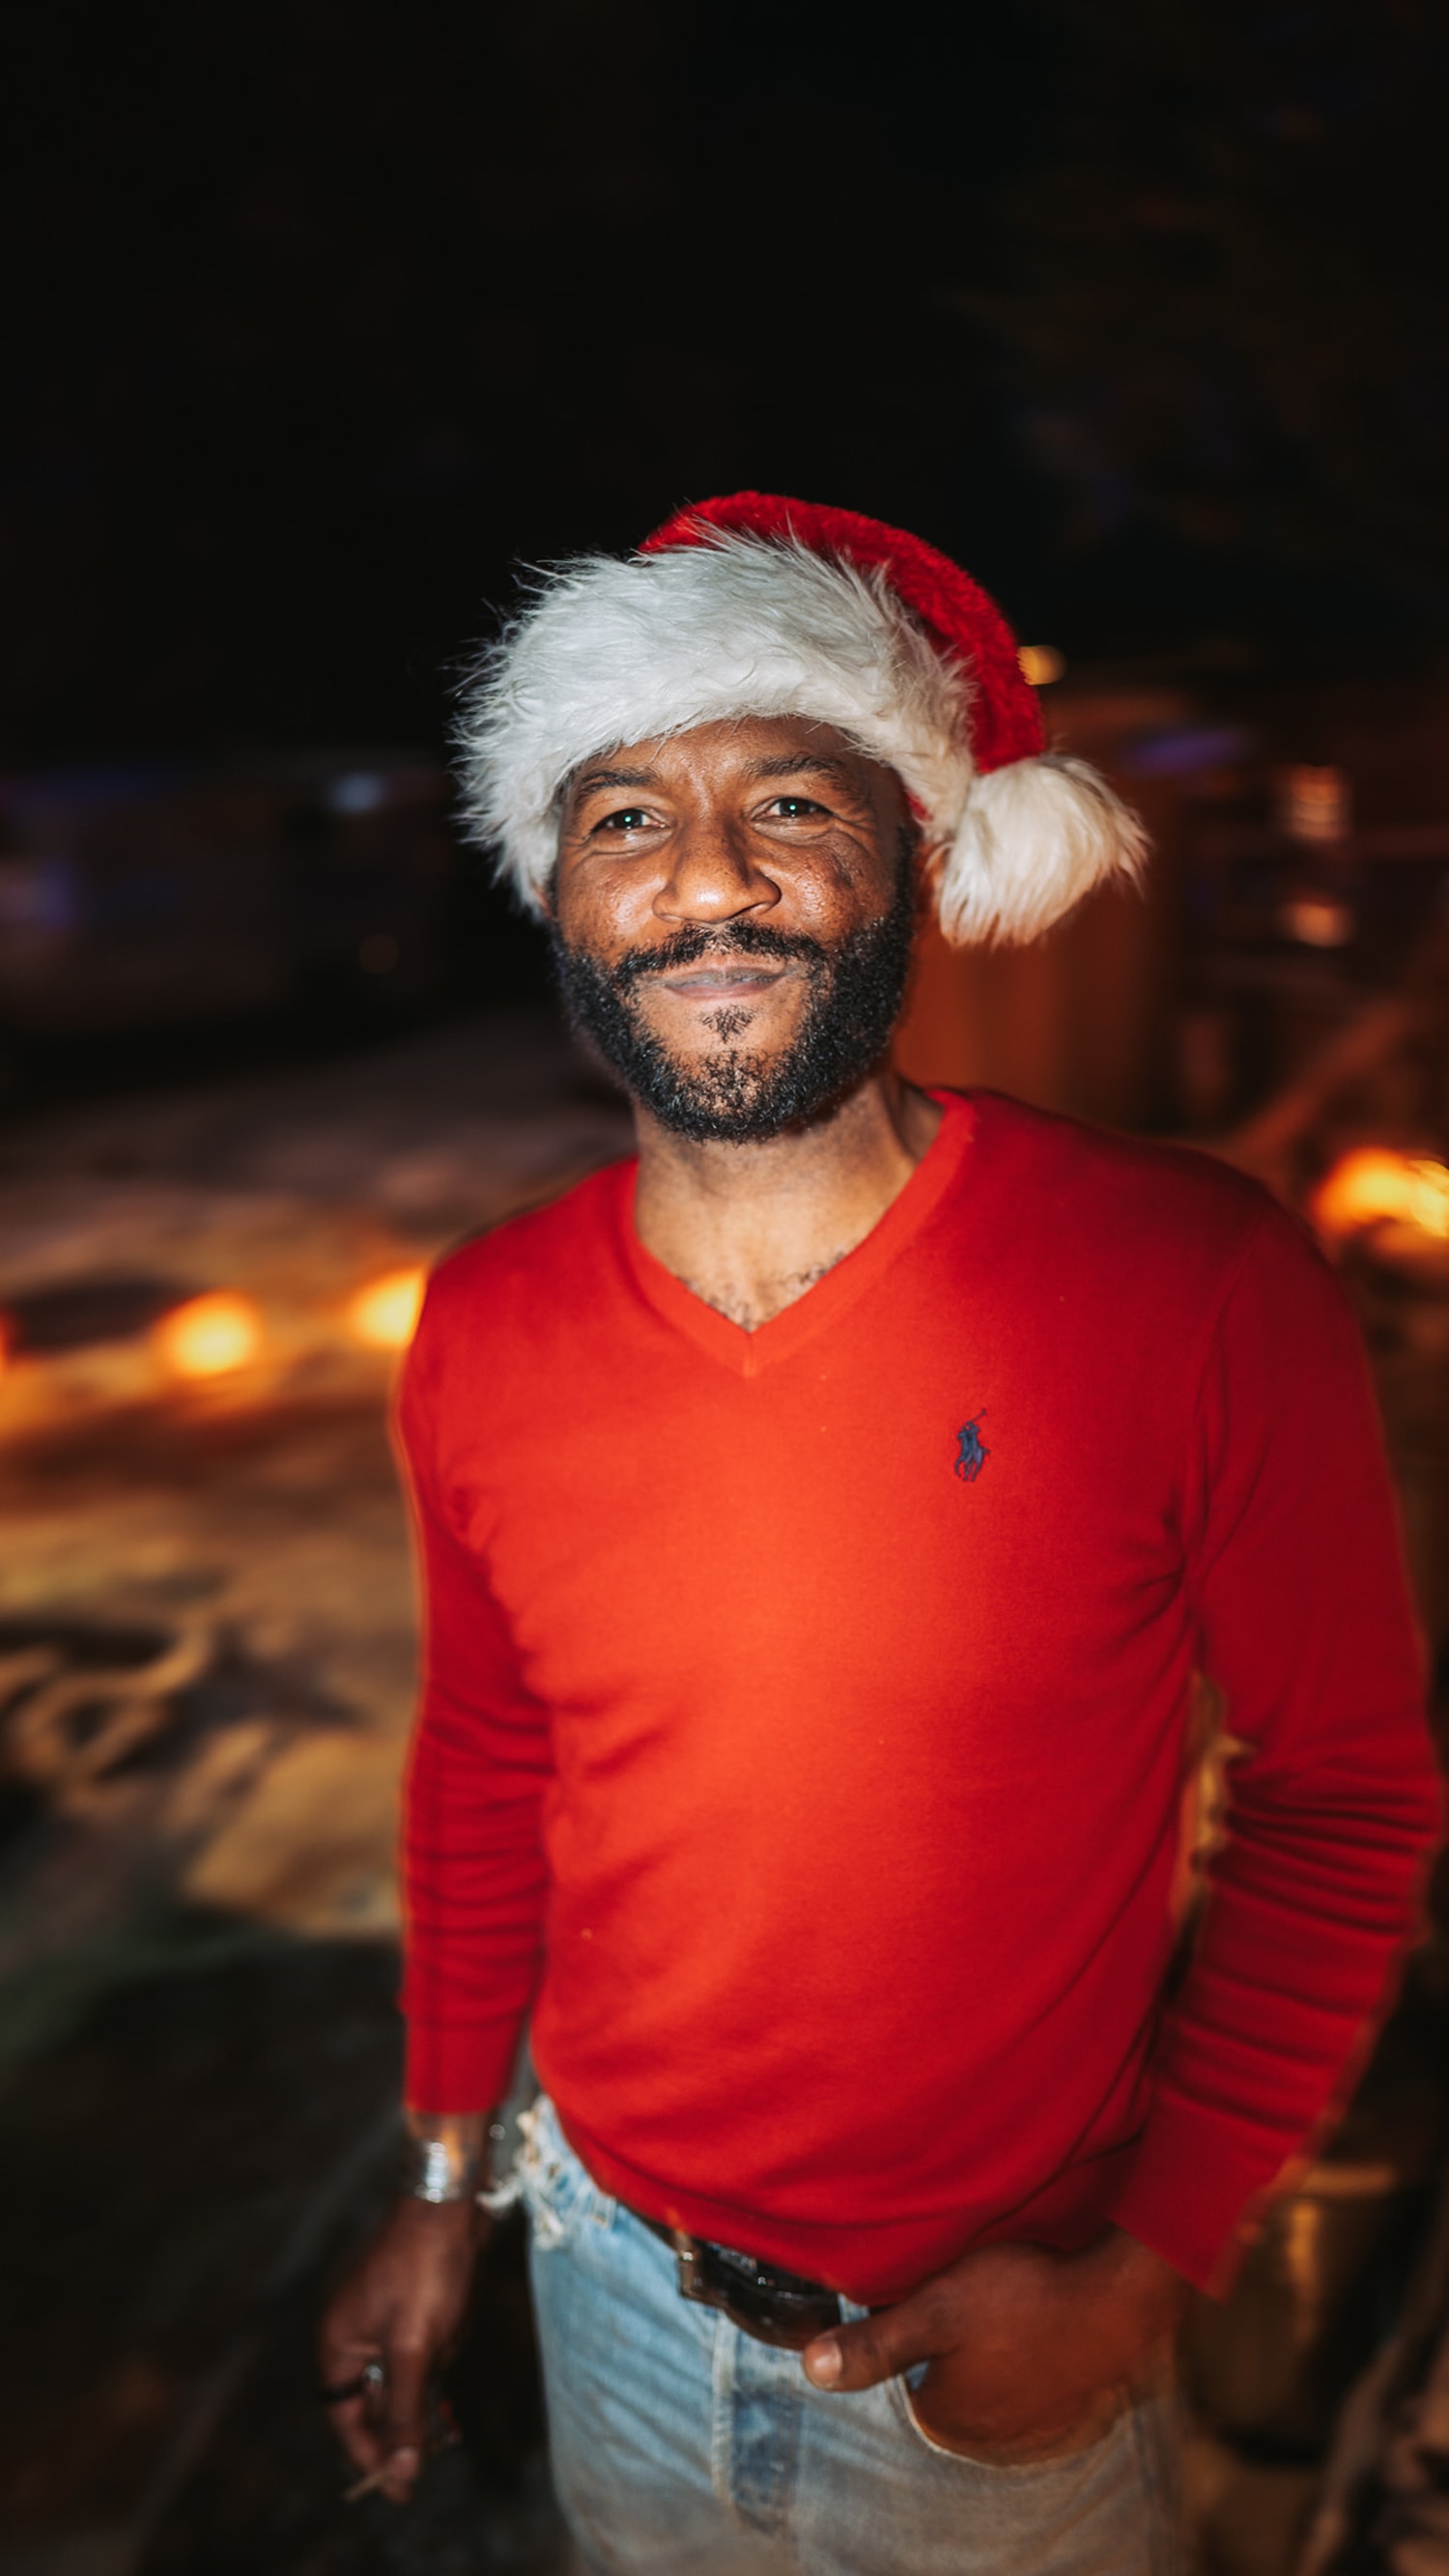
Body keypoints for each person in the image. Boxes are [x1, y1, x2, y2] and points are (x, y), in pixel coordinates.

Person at [321, 493, 1440, 2574]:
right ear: (558, 892)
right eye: (628, 817)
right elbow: (487, 1758)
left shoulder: (1187, 1277)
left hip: (994, 2359)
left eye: (790, 804)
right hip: (604, 2297)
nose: (709, 878)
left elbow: (1345, 1791)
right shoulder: (482, 1321)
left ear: (914, 855)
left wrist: (1146, 2270)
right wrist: (447, 2183)